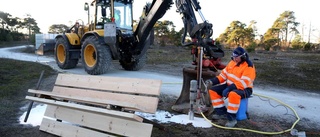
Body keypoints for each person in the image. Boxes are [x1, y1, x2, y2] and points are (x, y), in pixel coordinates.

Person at [205, 46, 256, 127]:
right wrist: (212, 81)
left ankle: (232, 119)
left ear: (243, 57)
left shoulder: (249, 66)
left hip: (245, 89)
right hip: (230, 85)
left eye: (237, 58)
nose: (234, 59)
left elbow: (244, 83)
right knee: (213, 91)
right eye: (233, 57)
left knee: (233, 94)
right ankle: (221, 113)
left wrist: (229, 88)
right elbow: (223, 76)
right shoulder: (232, 63)